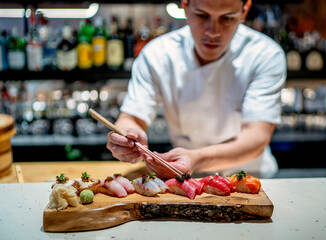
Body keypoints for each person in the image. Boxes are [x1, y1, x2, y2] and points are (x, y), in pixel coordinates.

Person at [106, 0, 286, 179]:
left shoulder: (265, 54)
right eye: (202, 15)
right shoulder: (157, 54)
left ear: (244, 11)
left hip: (251, 176)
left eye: (227, 18)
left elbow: (257, 137)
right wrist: (127, 136)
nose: (212, 32)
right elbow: (131, 118)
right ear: (185, 6)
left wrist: (196, 159)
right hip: (185, 178)